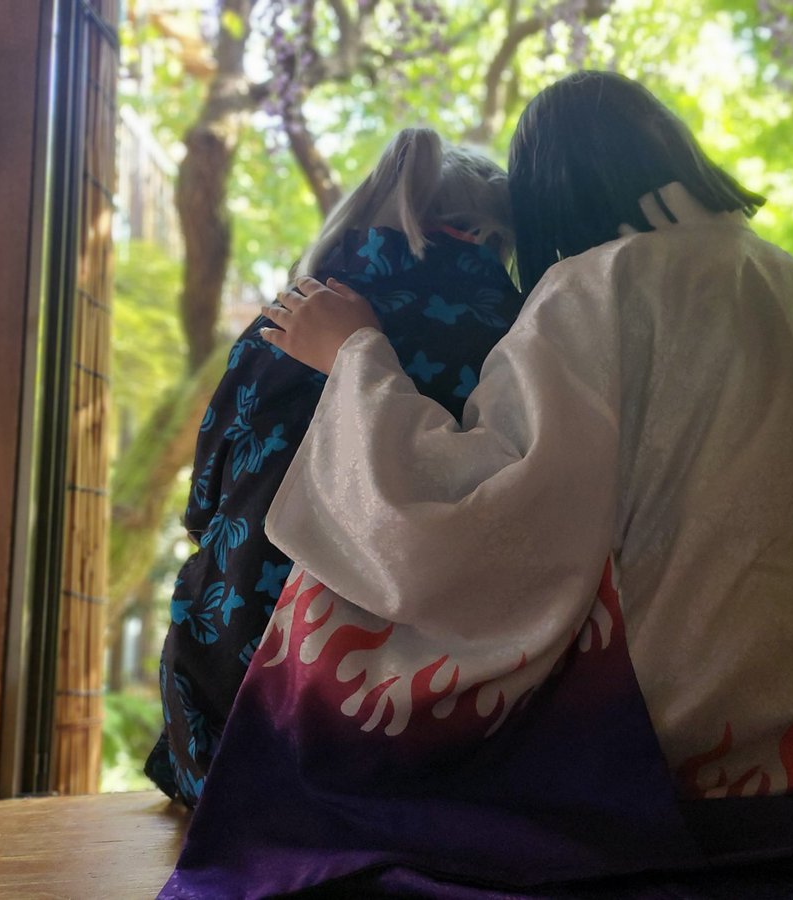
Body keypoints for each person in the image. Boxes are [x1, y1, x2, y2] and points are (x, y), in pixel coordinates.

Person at [162, 74, 793, 900]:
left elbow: (461, 528)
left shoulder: (594, 287)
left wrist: (356, 357)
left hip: (734, 746)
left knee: (343, 594)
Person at [144, 127, 524, 806]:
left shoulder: (285, 316)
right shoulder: (515, 332)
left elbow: (204, 502)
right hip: (439, 727)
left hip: (238, 724)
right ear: (494, 236)